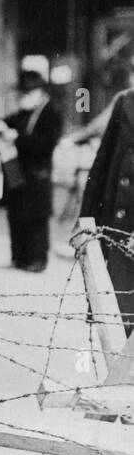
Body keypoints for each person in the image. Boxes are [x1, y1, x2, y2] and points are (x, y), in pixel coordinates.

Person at [0, 69, 61, 273]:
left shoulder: (50, 113)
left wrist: (16, 138)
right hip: (19, 172)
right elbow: (8, 122)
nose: (24, 97)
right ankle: (19, 257)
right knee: (17, 214)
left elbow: (45, 145)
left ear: (40, 93)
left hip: (37, 173)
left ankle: (37, 259)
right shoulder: (26, 111)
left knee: (36, 218)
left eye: (28, 93)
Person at [78, 81, 134, 334]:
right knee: (118, 329)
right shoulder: (126, 102)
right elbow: (100, 169)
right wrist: (86, 224)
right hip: (119, 236)